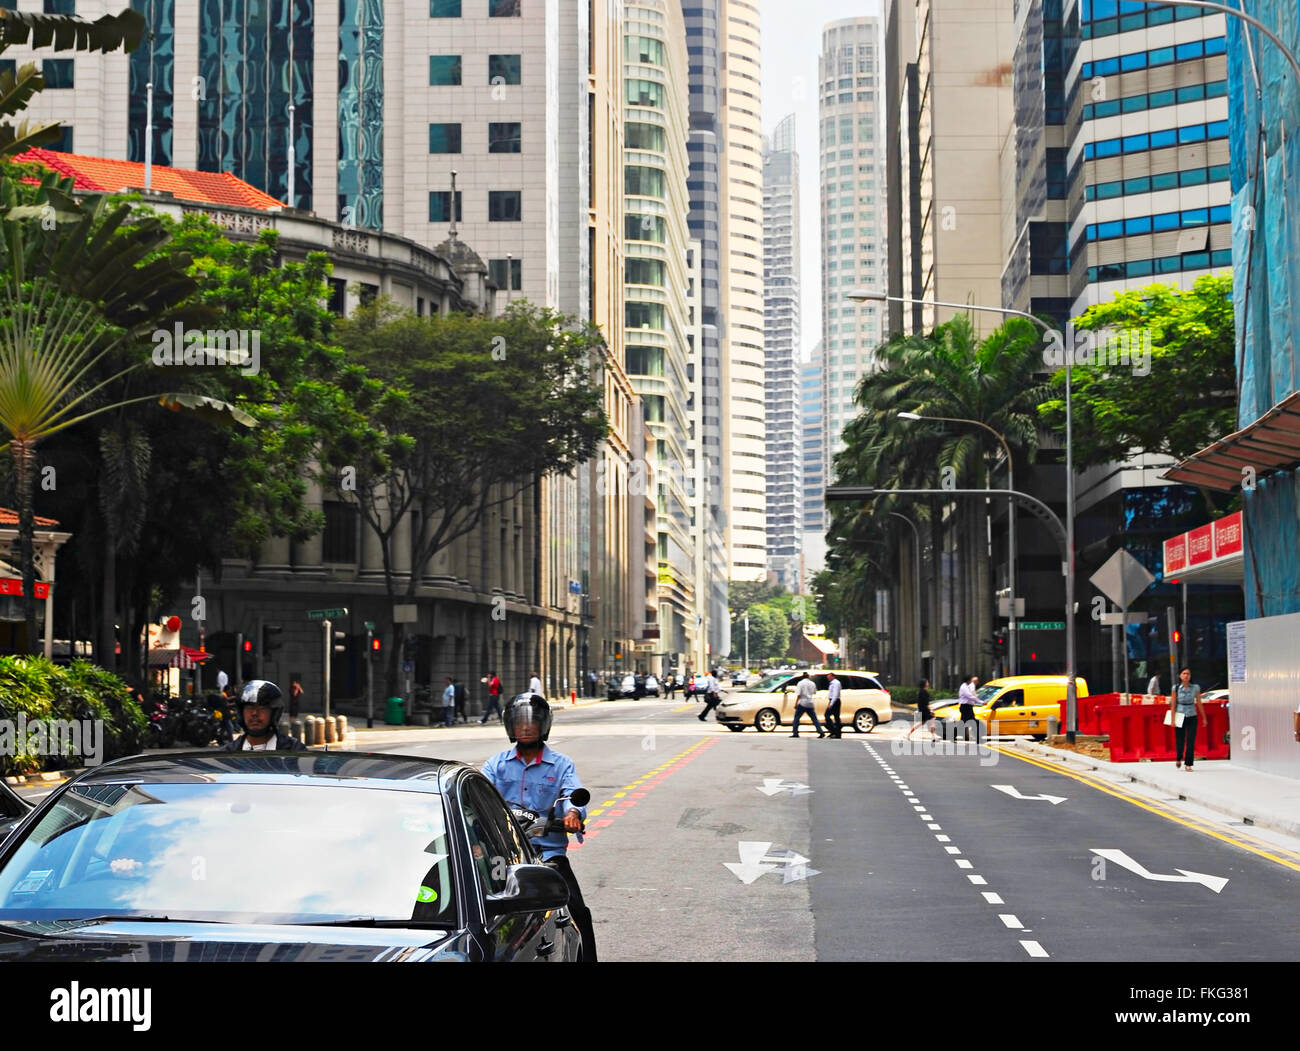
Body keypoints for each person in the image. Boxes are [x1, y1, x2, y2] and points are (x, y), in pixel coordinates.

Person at [482, 693, 597, 961]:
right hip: (503, 854)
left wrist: (571, 813)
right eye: (519, 721)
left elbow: (572, 794)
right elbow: (479, 796)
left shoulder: (561, 764)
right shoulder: (496, 765)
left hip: (547, 856)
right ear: (510, 725)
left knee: (578, 911)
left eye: (532, 721)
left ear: (544, 725)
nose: (525, 727)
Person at [222, 680, 307, 752]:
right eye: (249, 707)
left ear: (274, 713)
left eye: (262, 707)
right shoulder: (229, 752)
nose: (254, 713)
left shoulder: (294, 750)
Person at [1170, 667, 1206, 770]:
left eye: (1188, 674)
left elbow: (1199, 702)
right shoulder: (1176, 688)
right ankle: (1179, 757)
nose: (1186, 675)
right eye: (1184, 673)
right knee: (1180, 739)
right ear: (1180, 676)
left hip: (1192, 715)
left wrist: (1203, 717)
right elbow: (1173, 704)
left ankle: (1188, 764)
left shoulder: (1195, 687)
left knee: (1191, 740)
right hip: (1180, 714)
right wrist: (1172, 719)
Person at [790, 671, 825, 738]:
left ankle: (795, 732)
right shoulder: (812, 683)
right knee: (814, 719)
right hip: (810, 702)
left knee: (796, 718)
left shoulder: (800, 683)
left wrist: (796, 703)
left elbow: (799, 695)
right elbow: (814, 692)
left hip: (802, 702)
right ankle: (821, 732)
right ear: (808, 677)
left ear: (802, 676)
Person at [958, 674, 980, 741]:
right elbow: (970, 696)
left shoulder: (967, 686)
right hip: (965, 707)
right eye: (970, 679)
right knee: (968, 722)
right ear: (968, 680)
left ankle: (977, 738)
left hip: (968, 707)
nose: (971, 681)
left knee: (971, 722)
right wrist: (980, 701)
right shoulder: (964, 687)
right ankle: (977, 738)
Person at [824, 670, 843, 738]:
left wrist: (831, 704)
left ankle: (835, 732)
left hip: (835, 701)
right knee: (836, 717)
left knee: (828, 715)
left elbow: (835, 694)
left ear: (832, 676)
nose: (828, 678)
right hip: (833, 700)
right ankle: (835, 732)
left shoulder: (836, 683)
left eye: (829, 676)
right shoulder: (832, 683)